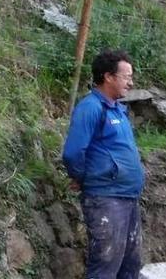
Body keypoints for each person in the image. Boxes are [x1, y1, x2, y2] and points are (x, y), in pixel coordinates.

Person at [62, 49, 145, 279]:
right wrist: (82, 177)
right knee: (106, 265)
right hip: (106, 199)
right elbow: (72, 152)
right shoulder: (90, 108)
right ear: (108, 77)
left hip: (127, 197)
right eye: (126, 76)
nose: (131, 82)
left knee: (130, 265)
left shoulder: (117, 109)